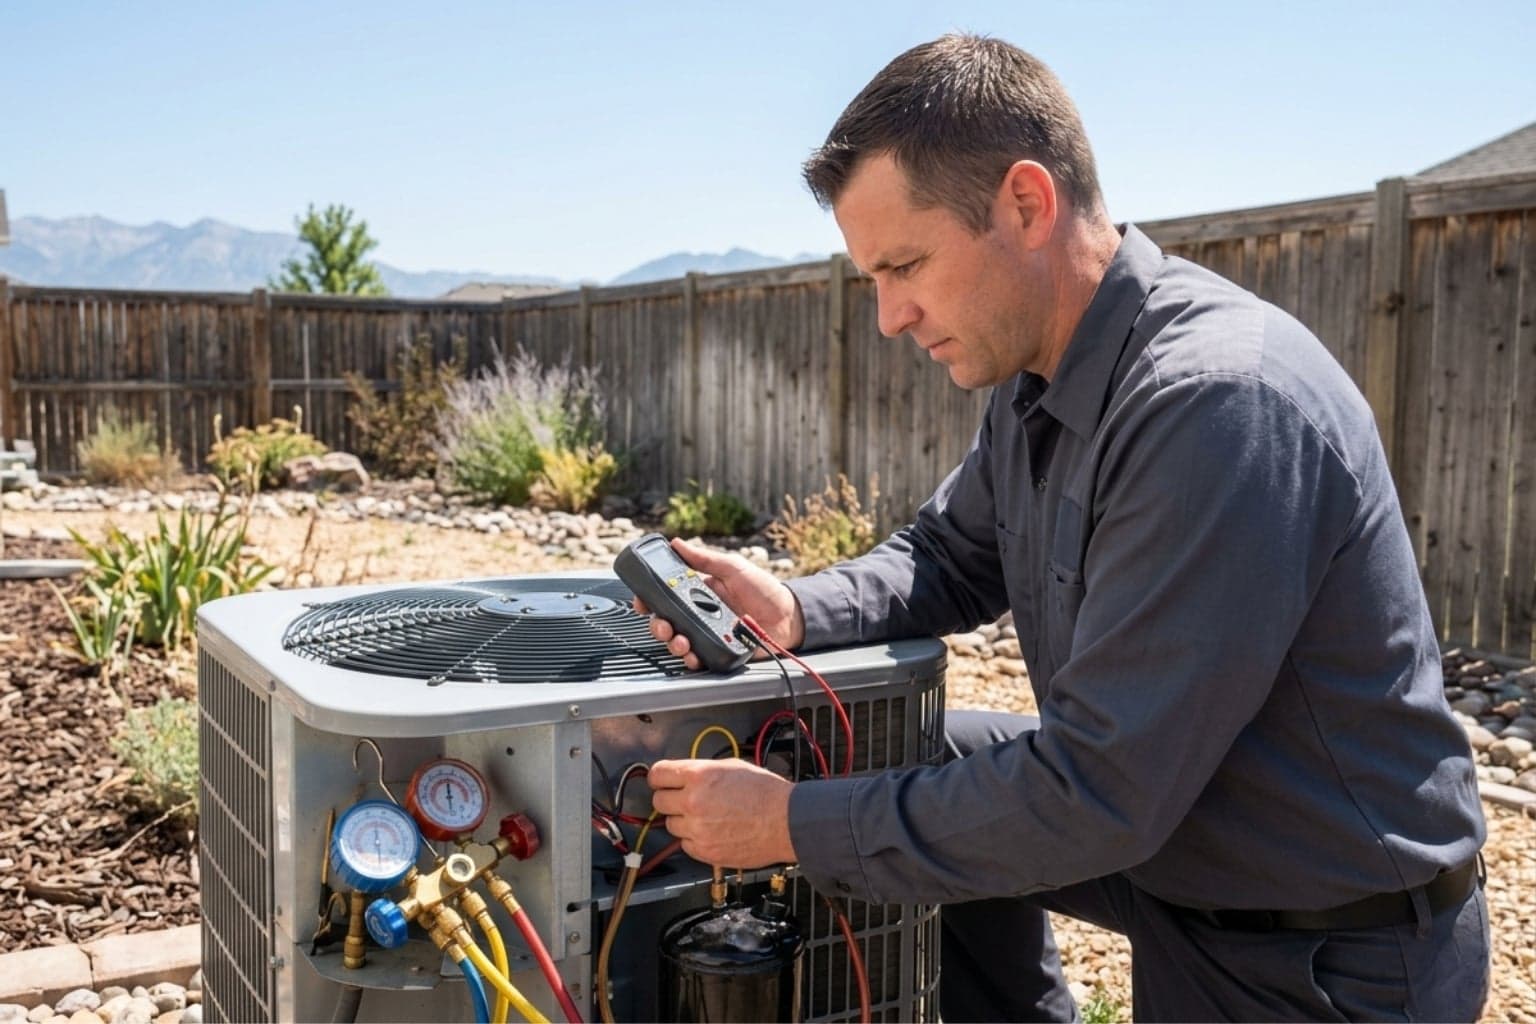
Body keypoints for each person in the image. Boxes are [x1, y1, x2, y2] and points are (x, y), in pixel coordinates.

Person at [642, 33, 1489, 1022]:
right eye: (872, 276)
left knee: (860, 811)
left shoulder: (1214, 405)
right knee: (898, 755)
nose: (889, 315)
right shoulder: (1040, 376)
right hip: (1188, 855)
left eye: (904, 264)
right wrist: (793, 606)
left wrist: (791, 824)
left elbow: (1097, 792)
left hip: (1325, 956)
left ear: (1027, 205)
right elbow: (950, 554)